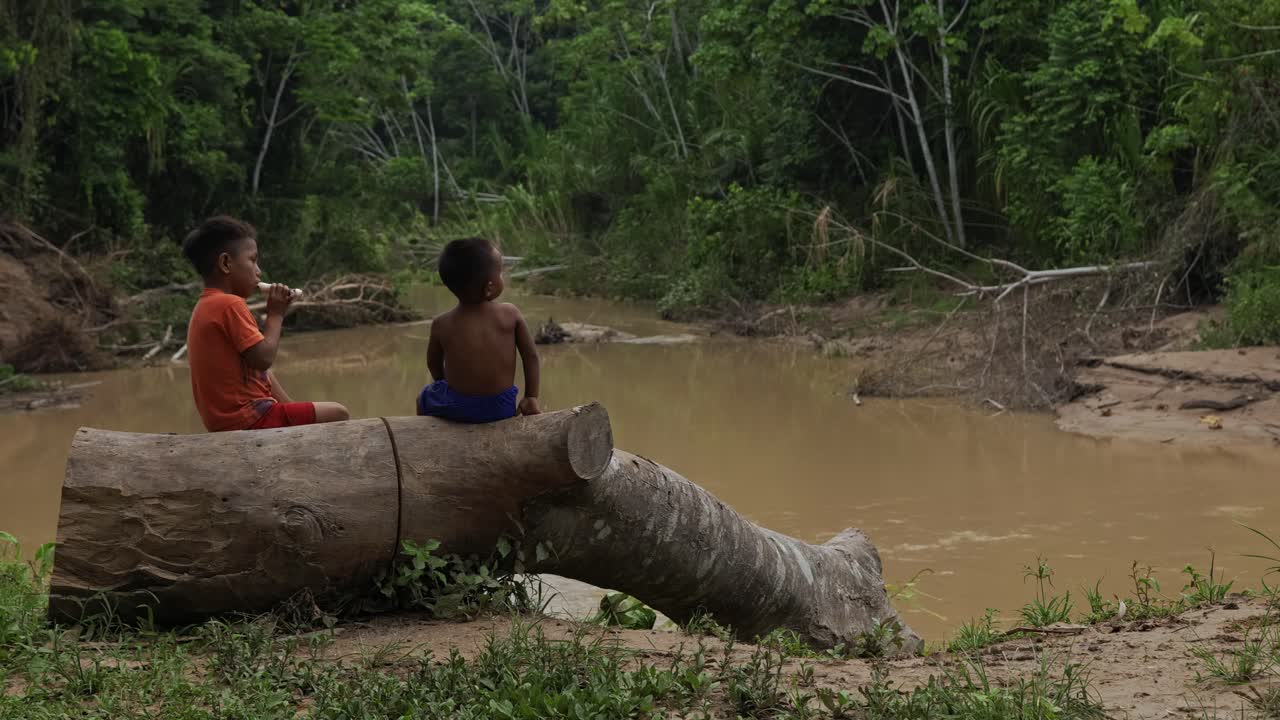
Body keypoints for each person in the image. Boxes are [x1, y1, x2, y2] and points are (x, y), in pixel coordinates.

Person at [182, 216, 350, 431]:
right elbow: (263, 358)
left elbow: (259, 370)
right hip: (248, 418)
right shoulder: (229, 304)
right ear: (226, 263)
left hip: (224, 421)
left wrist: (292, 409)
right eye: (252, 260)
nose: (258, 271)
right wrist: (276, 314)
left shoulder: (206, 305)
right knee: (337, 413)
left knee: (297, 407)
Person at [418, 237, 541, 423]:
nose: (503, 277)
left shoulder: (441, 324)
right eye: (500, 273)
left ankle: (429, 433)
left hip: (458, 408)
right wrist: (531, 396)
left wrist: (447, 385)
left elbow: (433, 363)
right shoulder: (510, 314)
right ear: (489, 288)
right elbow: (531, 356)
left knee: (423, 398)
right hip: (502, 408)